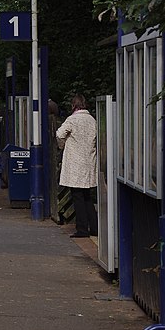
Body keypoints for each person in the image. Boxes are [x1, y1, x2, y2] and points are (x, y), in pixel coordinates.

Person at [56, 94, 98, 238]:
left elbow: (59, 134)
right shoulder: (92, 120)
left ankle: (82, 229)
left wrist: (62, 146)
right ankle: (94, 227)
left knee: (77, 196)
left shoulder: (72, 120)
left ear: (73, 105)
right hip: (89, 162)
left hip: (75, 164)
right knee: (87, 196)